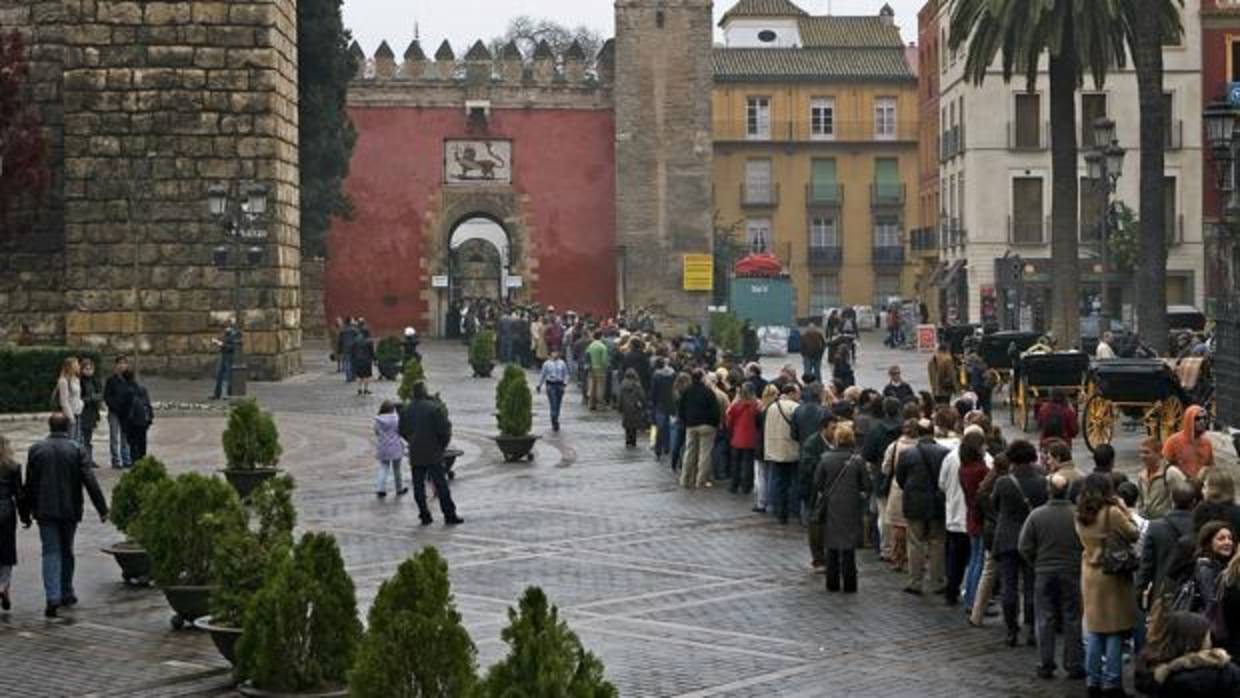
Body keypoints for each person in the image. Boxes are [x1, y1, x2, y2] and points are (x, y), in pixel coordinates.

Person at [24, 413, 109, 618]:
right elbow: (90, 481)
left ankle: (52, 596)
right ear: (68, 427)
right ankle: (66, 591)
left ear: (50, 426)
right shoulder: (76, 449)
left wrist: (25, 513)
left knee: (50, 551)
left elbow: (30, 485)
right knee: (66, 550)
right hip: (70, 510)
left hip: (45, 510)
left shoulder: (36, 450)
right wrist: (102, 509)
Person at [1076, 472, 1140, 697]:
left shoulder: (1080, 514)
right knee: (1114, 630)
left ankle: (1093, 680)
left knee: (1094, 629)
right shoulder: (1111, 512)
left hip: (1090, 573)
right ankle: (1112, 682)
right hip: (1112, 575)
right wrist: (1125, 509)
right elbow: (1134, 533)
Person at [1018, 473, 1085, 680]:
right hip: (1072, 572)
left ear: (1048, 491)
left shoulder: (1037, 515)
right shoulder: (1077, 515)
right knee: (1072, 617)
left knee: (1045, 618)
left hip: (1044, 572)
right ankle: (1073, 664)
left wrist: (1037, 563)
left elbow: (1024, 546)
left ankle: (1045, 664)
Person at [992, 440, 1047, 646]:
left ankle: (1011, 629)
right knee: (1032, 586)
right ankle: (1032, 628)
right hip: (1032, 539)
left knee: (1009, 587)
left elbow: (995, 505)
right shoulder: (1042, 481)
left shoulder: (1003, 482)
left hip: (1007, 538)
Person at [896, 418, 949, 596]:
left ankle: (915, 581)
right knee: (937, 542)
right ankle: (937, 581)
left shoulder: (907, 454)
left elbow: (900, 479)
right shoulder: (944, 453)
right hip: (936, 503)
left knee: (915, 542)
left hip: (915, 504)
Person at [1135, 608, 1240, 698]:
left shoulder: (1156, 673)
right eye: (1207, 636)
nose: (1210, 641)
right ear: (1196, 640)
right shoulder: (1223, 671)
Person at [398, 381, 462, 526]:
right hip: (433, 451)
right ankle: (449, 515)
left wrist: (412, 441)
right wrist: (441, 446)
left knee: (418, 485)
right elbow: (445, 430)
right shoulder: (435, 408)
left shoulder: (406, 410)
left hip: (416, 452)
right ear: (425, 392)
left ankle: (424, 514)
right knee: (441, 484)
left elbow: (402, 431)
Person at [814, 425, 870, 593]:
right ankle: (850, 583)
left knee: (831, 544)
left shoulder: (825, 458)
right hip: (851, 505)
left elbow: (817, 482)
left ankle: (832, 583)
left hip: (831, 504)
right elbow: (866, 484)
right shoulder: (857, 460)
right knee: (848, 546)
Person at [941, 428, 990, 607]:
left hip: (967, 517)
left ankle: (969, 597)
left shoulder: (963, 467)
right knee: (978, 561)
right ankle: (973, 600)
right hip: (979, 519)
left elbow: (942, 483)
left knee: (971, 560)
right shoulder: (980, 470)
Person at [1137, 481, 1199, 606]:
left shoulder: (1155, 527)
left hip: (1163, 592)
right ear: (1194, 502)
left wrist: (1140, 588)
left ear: (1172, 501)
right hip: (1194, 595)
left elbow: (1147, 564)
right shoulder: (1201, 528)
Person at [763, 384, 801, 524]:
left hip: (774, 449)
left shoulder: (772, 406)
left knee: (779, 481)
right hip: (790, 448)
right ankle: (794, 510)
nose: (799, 396)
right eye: (798, 393)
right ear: (791, 393)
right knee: (793, 481)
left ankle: (779, 511)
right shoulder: (794, 407)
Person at [0, 435, 30, 611]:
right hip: (6, 513)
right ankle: (4, 586)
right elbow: (19, 495)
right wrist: (25, 517)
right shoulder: (13, 467)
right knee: (7, 552)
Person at [679, 369, 721, 490]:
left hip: (691, 425)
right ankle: (700, 481)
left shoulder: (687, 391)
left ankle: (685, 479)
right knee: (704, 454)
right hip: (707, 426)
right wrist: (715, 424)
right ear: (702, 378)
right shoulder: (708, 392)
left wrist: (685, 421)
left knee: (689, 452)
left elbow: (681, 408)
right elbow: (715, 411)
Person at [1136, 437, 1186, 520]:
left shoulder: (1171, 473)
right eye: (1141, 452)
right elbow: (1140, 502)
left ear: (1159, 453)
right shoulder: (1141, 476)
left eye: (1147, 452)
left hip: (1167, 523)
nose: (1142, 456)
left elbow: (1182, 500)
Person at [1162, 405, 1215, 481]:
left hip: (1201, 485)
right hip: (1180, 486)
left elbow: (1211, 467)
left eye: (1204, 418)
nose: (1202, 421)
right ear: (1189, 419)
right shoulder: (1173, 441)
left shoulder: (1207, 443)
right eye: (1197, 418)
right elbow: (1165, 466)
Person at [725, 383, 759, 495]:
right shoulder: (756, 405)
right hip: (750, 438)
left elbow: (730, 420)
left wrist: (731, 432)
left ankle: (734, 485)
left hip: (737, 438)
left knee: (735, 463)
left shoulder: (736, 405)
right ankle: (747, 486)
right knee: (748, 464)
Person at [373, 401, 407, 499]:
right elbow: (400, 431)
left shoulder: (378, 420)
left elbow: (376, 431)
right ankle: (399, 489)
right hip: (396, 447)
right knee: (397, 469)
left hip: (383, 447)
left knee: (383, 468)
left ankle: (381, 489)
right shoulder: (396, 419)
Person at [103, 356, 132, 469]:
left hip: (126, 412)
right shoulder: (111, 380)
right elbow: (107, 396)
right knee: (114, 437)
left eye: (124, 363)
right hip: (114, 412)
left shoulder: (129, 379)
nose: (122, 365)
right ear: (115, 365)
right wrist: (114, 406)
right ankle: (116, 460)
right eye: (120, 363)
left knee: (125, 437)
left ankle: (126, 459)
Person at [118, 368, 153, 461]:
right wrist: (150, 419)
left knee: (133, 446)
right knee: (142, 444)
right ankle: (143, 463)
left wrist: (123, 424)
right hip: (143, 421)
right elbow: (148, 405)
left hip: (131, 422)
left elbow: (123, 409)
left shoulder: (125, 391)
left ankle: (136, 464)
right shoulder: (142, 389)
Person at [77, 358, 102, 467]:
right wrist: (91, 398)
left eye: (90, 368)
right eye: (86, 368)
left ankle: (89, 459)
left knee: (88, 438)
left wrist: (96, 397)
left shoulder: (94, 381)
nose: (88, 371)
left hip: (92, 412)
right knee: (82, 438)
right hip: (83, 412)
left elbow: (100, 393)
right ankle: (83, 459)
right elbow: (80, 398)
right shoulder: (80, 381)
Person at [537, 349, 569, 432]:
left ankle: (556, 418)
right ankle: (554, 418)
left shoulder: (562, 363)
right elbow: (543, 375)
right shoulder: (546, 364)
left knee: (558, 403)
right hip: (550, 385)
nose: (555, 354)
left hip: (560, 385)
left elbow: (566, 374)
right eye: (553, 352)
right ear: (550, 354)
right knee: (553, 403)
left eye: (556, 352)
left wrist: (565, 383)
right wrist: (539, 385)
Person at [651, 358, 677, 460]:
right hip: (671, 404)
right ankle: (667, 447)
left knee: (660, 427)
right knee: (668, 426)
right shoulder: (673, 375)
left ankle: (658, 450)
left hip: (660, 405)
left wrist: (653, 402)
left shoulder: (656, 376)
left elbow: (654, 392)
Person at [211, 320, 241, 400]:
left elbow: (233, 347)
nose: (226, 329)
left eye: (227, 327)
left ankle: (229, 394)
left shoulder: (235, 335)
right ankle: (217, 394)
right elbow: (225, 343)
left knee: (229, 377)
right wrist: (218, 343)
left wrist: (221, 344)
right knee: (219, 376)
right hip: (224, 356)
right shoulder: (227, 334)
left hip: (229, 357)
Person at [55, 357, 83, 444]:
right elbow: (64, 401)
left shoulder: (76, 379)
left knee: (77, 439)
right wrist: (70, 416)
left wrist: (81, 405)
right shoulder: (63, 381)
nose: (78, 366)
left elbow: (78, 396)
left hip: (78, 412)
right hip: (69, 415)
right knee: (70, 440)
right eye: (76, 364)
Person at [619, 368, 647, 448]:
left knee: (627, 426)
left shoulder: (623, 384)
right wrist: (644, 404)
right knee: (634, 426)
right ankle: (633, 441)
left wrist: (620, 407)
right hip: (635, 407)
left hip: (626, 408)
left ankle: (628, 441)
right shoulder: (637, 385)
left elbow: (620, 397)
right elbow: (642, 396)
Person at [586, 332, 609, 411]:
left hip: (591, 368)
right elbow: (604, 360)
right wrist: (606, 366)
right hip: (600, 369)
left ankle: (591, 403)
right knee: (600, 387)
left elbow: (587, 357)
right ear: (601, 336)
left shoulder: (590, 346)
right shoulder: (603, 347)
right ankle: (600, 404)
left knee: (592, 386)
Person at [351, 331, 375, 396]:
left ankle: (359, 389)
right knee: (367, 376)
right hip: (367, 361)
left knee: (359, 375)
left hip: (358, 360)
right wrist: (374, 359)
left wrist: (353, 359)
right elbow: (372, 352)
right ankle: (366, 389)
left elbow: (352, 350)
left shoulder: (356, 341)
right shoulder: (370, 342)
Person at [339, 318, 358, 383]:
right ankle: (353, 377)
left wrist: (339, 350)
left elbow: (340, 341)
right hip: (354, 348)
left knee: (347, 363)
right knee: (354, 363)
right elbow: (358, 339)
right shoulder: (354, 330)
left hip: (345, 348)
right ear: (350, 322)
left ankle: (348, 377)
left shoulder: (342, 331)